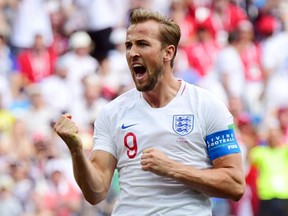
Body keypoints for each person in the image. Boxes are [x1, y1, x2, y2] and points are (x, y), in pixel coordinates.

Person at [53, 8, 245, 215]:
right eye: (129, 45)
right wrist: (75, 150)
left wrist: (172, 168)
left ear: (168, 52)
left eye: (142, 44)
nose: (132, 52)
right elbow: (96, 192)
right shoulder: (112, 113)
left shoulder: (206, 105)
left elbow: (235, 185)